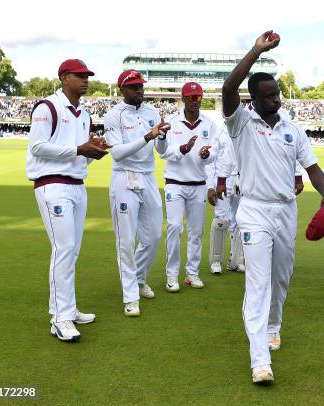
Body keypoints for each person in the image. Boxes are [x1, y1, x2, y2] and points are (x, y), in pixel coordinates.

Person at [221, 30, 324, 384]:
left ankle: (274, 325)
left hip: (286, 210)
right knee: (258, 283)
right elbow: (228, 89)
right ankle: (260, 360)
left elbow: (312, 168)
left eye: (278, 94)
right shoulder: (240, 122)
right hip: (253, 210)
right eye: (269, 96)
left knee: (281, 276)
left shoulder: (293, 129)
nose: (277, 101)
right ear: (252, 100)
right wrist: (256, 51)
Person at [26, 59, 109, 341]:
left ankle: (67, 309)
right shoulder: (47, 107)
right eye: (80, 75)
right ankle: (60, 318)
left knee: (71, 251)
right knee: (64, 249)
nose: (85, 80)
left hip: (76, 184)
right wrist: (78, 149)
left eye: (87, 76)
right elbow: (37, 147)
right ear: (64, 78)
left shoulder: (83, 113)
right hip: (52, 184)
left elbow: (78, 155)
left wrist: (92, 152)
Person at [103, 69, 170, 316]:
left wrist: (162, 135)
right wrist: (147, 135)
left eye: (141, 86)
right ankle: (130, 297)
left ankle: (139, 279)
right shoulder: (113, 116)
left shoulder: (152, 112)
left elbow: (162, 150)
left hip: (148, 177)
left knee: (153, 235)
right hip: (124, 177)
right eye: (134, 87)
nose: (140, 91)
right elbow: (117, 152)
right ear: (123, 90)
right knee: (126, 240)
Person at [157, 82, 219, 291]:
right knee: (174, 228)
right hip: (175, 183)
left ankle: (192, 273)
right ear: (183, 98)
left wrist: (207, 154)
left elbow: (215, 154)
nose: (195, 102)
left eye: (199, 98)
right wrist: (183, 149)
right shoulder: (172, 123)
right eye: (192, 98)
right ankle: (172, 274)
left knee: (196, 231)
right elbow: (163, 152)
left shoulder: (209, 124)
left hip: (198, 184)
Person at [206, 125, 245, 274]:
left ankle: (236, 260)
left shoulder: (245, 129)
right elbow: (210, 161)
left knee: (240, 220)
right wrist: (210, 186)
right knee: (222, 219)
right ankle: (216, 261)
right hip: (222, 180)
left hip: (241, 181)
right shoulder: (219, 131)